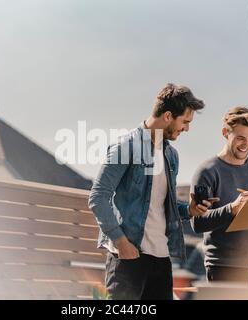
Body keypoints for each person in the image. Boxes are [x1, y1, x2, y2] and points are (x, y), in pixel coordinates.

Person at [88, 83, 213, 300]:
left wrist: (190, 210)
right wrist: (121, 243)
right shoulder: (125, 147)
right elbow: (98, 197)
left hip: (161, 260)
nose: (187, 129)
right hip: (128, 258)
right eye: (185, 121)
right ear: (167, 116)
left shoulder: (171, 156)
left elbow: (163, 206)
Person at [191, 106, 248, 286]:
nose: (246, 144)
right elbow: (197, 223)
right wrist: (233, 209)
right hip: (224, 267)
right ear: (225, 133)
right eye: (240, 138)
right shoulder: (207, 172)